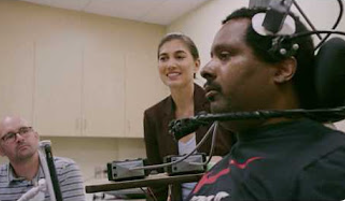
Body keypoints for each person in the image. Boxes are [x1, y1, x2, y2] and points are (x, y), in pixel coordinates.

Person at [187, 7, 345, 201]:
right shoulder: (217, 172)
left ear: (282, 69)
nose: (206, 70)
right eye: (212, 57)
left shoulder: (331, 163)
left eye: (225, 55)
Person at [144, 33, 236, 201]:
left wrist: (221, 163)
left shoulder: (220, 105)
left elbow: (244, 157)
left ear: (196, 65)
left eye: (179, 57)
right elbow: (156, 180)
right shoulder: (153, 116)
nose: (170, 64)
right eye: (163, 58)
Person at [0, 115, 86, 201]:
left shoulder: (64, 169)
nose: (19, 138)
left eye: (24, 131)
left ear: (36, 137)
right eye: (10, 136)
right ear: (1, 150)